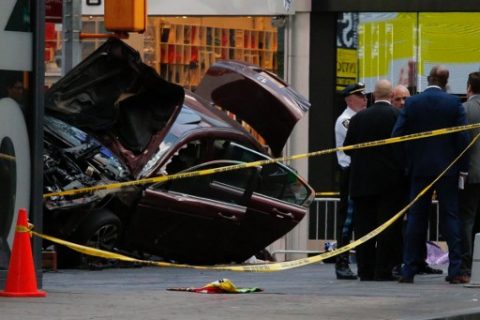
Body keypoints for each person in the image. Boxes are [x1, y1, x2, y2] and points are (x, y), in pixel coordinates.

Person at [392, 65, 470, 284]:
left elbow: (397, 135)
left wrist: (407, 163)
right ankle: (455, 270)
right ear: (446, 81)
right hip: (447, 169)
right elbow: (462, 138)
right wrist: (460, 165)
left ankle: (409, 269)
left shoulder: (413, 102)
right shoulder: (453, 103)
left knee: (416, 219)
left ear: (428, 80)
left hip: (419, 169)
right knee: (450, 217)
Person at [343, 79, 404, 281]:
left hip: (362, 181)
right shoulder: (397, 115)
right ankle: (383, 270)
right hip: (390, 183)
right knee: (387, 227)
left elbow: (347, 147)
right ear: (390, 95)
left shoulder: (359, 118)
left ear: (373, 95)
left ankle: (365, 270)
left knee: (363, 228)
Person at [334, 82, 367, 280]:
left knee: (358, 218)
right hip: (349, 171)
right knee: (347, 220)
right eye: (360, 96)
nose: (364, 100)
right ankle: (342, 262)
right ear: (349, 99)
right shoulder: (346, 120)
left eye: (364, 96)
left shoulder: (357, 118)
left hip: (358, 171)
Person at [459, 71, 480, 279]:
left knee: (467, 219)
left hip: (470, 174)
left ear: (469, 88)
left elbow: (459, 143)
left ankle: (466, 267)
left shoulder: (464, 110)